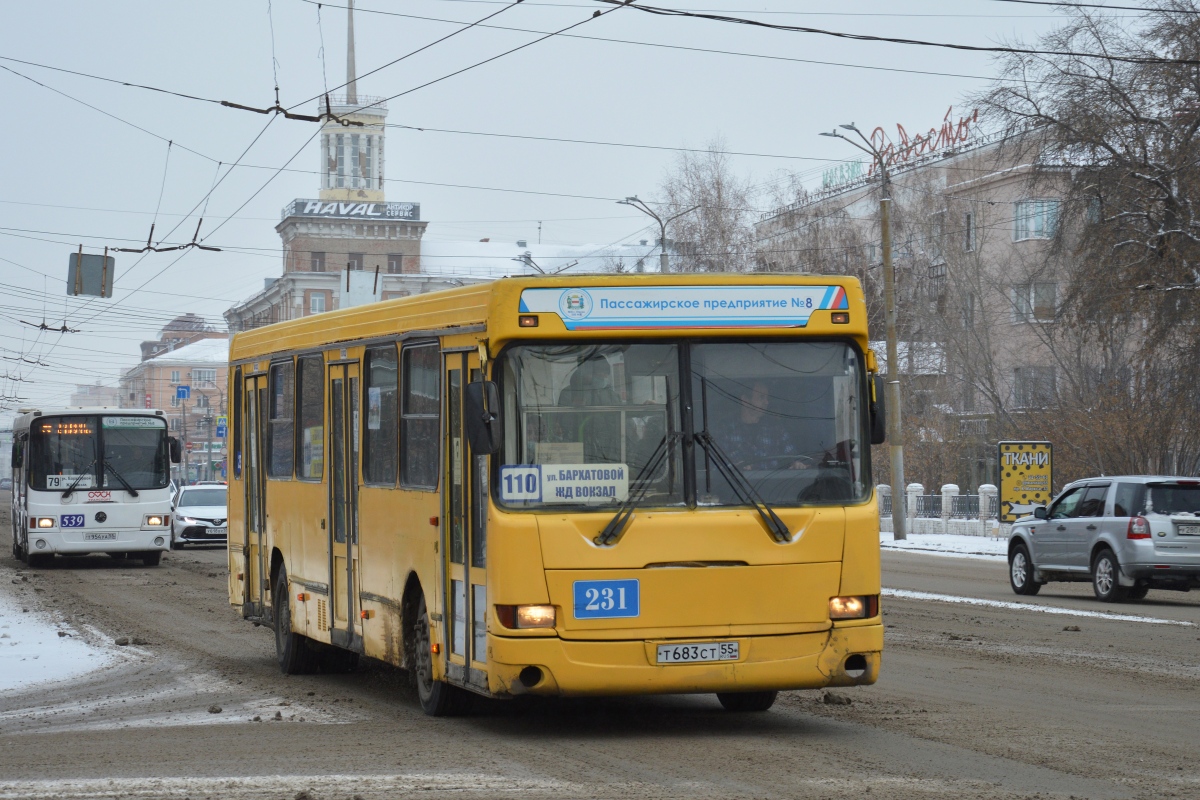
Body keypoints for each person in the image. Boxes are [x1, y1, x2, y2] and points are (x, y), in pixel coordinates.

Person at [718, 381, 808, 471]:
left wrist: (797, 464)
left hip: (774, 484)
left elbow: (792, 455)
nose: (766, 402)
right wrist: (736, 467)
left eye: (767, 398)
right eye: (761, 397)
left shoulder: (775, 428)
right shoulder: (726, 429)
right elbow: (717, 465)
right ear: (745, 400)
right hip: (736, 484)